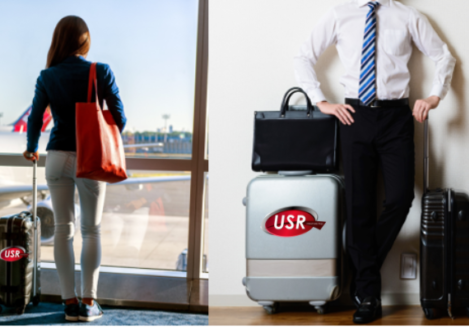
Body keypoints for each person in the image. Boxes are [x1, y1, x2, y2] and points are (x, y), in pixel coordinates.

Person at [294, 0, 455, 324]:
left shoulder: (407, 15)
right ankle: (368, 296)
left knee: (400, 198)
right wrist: (321, 101)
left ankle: (356, 265)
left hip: (397, 116)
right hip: (354, 115)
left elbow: (444, 56)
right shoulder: (340, 14)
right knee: (359, 207)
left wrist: (434, 96)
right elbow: (303, 56)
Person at [23, 16, 127, 322]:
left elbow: (35, 118)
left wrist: (31, 147)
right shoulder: (100, 71)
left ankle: (68, 304)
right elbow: (119, 116)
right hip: (90, 158)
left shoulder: (47, 75)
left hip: (55, 157)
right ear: (84, 41)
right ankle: (89, 303)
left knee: (62, 233)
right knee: (91, 230)